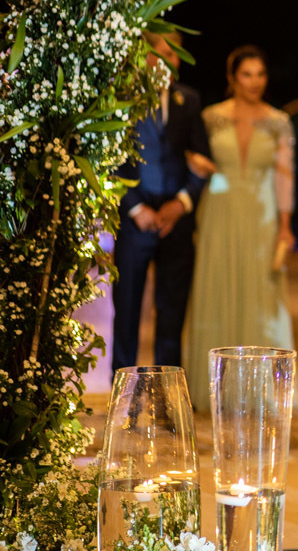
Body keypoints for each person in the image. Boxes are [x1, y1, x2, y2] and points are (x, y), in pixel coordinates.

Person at [183, 46, 296, 410]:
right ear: (232, 78)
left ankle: (262, 394)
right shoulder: (210, 117)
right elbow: (190, 157)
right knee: (218, 289)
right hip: (220, 212)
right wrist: (196, 163)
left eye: (260, 74)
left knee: (263, 297)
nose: (255, 82)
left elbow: (285, 178)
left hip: (262, 217)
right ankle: (217, 390)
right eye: (247, 74)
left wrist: (285, 226)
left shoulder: (278, 121)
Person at [112, 32, 211, 373]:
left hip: (176, 225)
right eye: (166, 52)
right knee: (127, 311)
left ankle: (167, 395)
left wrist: (181, 204)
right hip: (135, 222)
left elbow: (203, 162)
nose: (173, 61)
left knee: (171, 314)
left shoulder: (189, 100)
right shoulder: (122, 99)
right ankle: (122, 392)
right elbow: (110, 163)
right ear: (145, 57)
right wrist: (136, 208)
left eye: (177, 54)